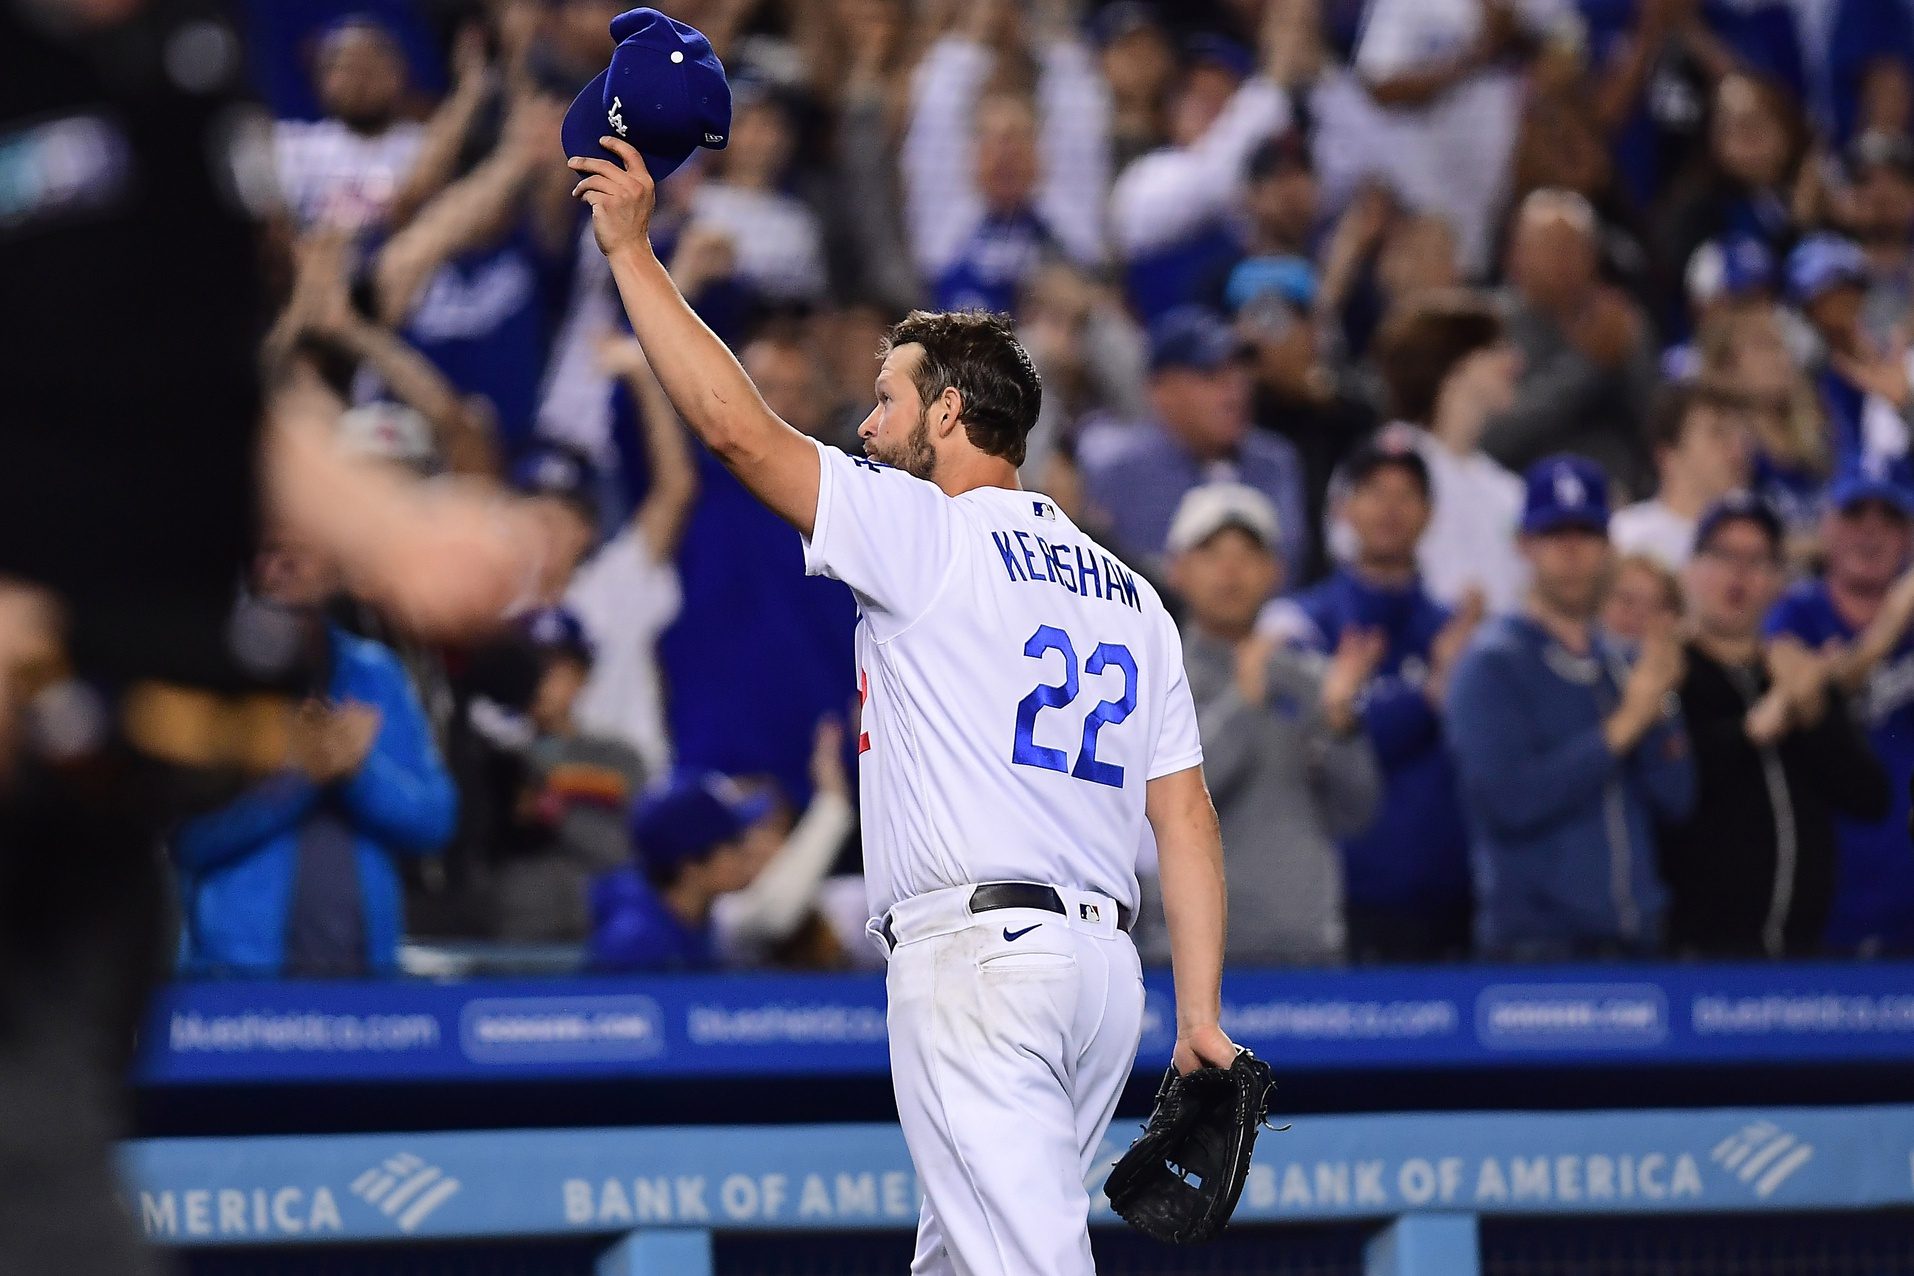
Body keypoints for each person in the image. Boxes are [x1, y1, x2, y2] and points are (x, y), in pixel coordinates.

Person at [569, 123, 1239, 1276]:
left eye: (886, 400)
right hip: (1101, 981)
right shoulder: (1134, 594)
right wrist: (1201, 1015)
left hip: (981, 961)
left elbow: (734, 429)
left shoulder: (924, 529)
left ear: (948, 417)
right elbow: (1185, 819)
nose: (866, 425)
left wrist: (633, 253)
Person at [173, 533, 456, 977]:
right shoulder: (213, 666)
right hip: (239, 980)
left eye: (302, 544)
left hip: (363, 974)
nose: (285, 561)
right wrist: (299, 778)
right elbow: (185, 838)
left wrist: (360, 773)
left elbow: (435, 819)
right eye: (270, 545)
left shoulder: (375, 672)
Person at [1446, 456, 1694, 960]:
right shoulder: (1492, 663)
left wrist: (1659, 707)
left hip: (1637, 939)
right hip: (1535, 951)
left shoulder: (1625, 664)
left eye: (1586, 533)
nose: (1572, 551)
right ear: (1524, 545)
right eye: (1554, 533)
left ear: (1609, 548)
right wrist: (1626, 724)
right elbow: (1509, 802)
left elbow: (1677, 798)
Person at [1268, 441, 1479, 961]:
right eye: (1373, 491)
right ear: (1343, 507)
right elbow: (1313, 741)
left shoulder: (1452, 629)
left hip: (1446, 893)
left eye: (1407, 494)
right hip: (1339, 896)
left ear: (1429, 514)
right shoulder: (1301, 621)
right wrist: (1432, 690)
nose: (1390, 507)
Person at [1160, 484, 1380, 965]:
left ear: (1276, 572)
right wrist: (1245, 697)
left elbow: (1357, 813)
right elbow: (1171, 807)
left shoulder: (1308, 677)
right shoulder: (1153, 675)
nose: (1230, 570)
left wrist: (1341, 726)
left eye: (1248, 554)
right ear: (1176, 569)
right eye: (1211, 552)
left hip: (1306, 950)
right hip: (1192, 961)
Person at [1661, 496, 1888, 958]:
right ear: (1690, 571)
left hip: (1801, 956)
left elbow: (1870, 798)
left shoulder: (1792, 675)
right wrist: (1755, 727)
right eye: (1723, 556)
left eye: (1758, 561)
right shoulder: (1669, 674)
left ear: (1779, 582)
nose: (1739, 575)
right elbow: (1673, 791)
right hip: (1695, 960)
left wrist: (1814, 715)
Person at [1766, 476, 1914, 954]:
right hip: (1821, 893)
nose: (1871, 533)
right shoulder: (1792, 613)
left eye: (1889, 519)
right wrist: (1884, 632)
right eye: (1855, 516)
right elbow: (1803, 694)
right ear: (1826, 528)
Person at [1077, 306, 1309, 583]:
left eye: (1239, 374)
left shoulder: (1275, 461)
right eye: (1211, 377)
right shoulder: (1120, 474)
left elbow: (1290, 568)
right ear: (1161, 390)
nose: (1234, 392)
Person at [1483, 189, 1659, 493]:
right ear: (1516, 255)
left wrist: (1628, 354)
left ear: (1593, 256)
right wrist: (1587, 364)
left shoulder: (1619, 320)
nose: (1562, 260)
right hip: (1515, 492)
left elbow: (1654, 425)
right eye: (1549, 247)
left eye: (1573, 247)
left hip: (1612, 493)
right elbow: (1491, 436)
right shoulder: (1490, 325)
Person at [1367, 291, 1527, 613]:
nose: (1516, 361)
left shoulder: (1507, 489)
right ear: (1457, 363)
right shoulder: (1385, 461)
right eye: (1497, 349)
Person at [492, 607, 645, 944]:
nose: (543, 681)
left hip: (605, 933)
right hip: (517, 936)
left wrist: (556, 813)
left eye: (558, 669)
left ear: (582, 676)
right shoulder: (494, 757)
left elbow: (630, 853)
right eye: (532, 666)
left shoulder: (618, 759)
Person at [589, 771, 773, 971]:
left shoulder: (699, 919)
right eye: (734, 842)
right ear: (691, 867)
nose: (747, 851)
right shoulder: (634, 944)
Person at [1610, 380, 1755, 568]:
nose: (1738, 449)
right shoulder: (1628, 537)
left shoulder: (1758, 532)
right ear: (1668, 455)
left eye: (1741, 436)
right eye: (1718, 433)